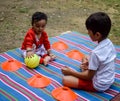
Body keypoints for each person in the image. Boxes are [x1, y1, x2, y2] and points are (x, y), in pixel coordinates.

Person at [61, 12, 116, 92]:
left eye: (89, 31)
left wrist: (71, 72)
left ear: (97, 35)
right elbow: (103, 61)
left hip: (99, 85)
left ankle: (82, 74)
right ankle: (86, 69)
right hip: (109, 79)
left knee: (65, 79)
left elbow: (89, 77)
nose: (88, 33)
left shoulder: (95, 53)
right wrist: (89, 64)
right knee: (85, 57)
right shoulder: (109, 43)